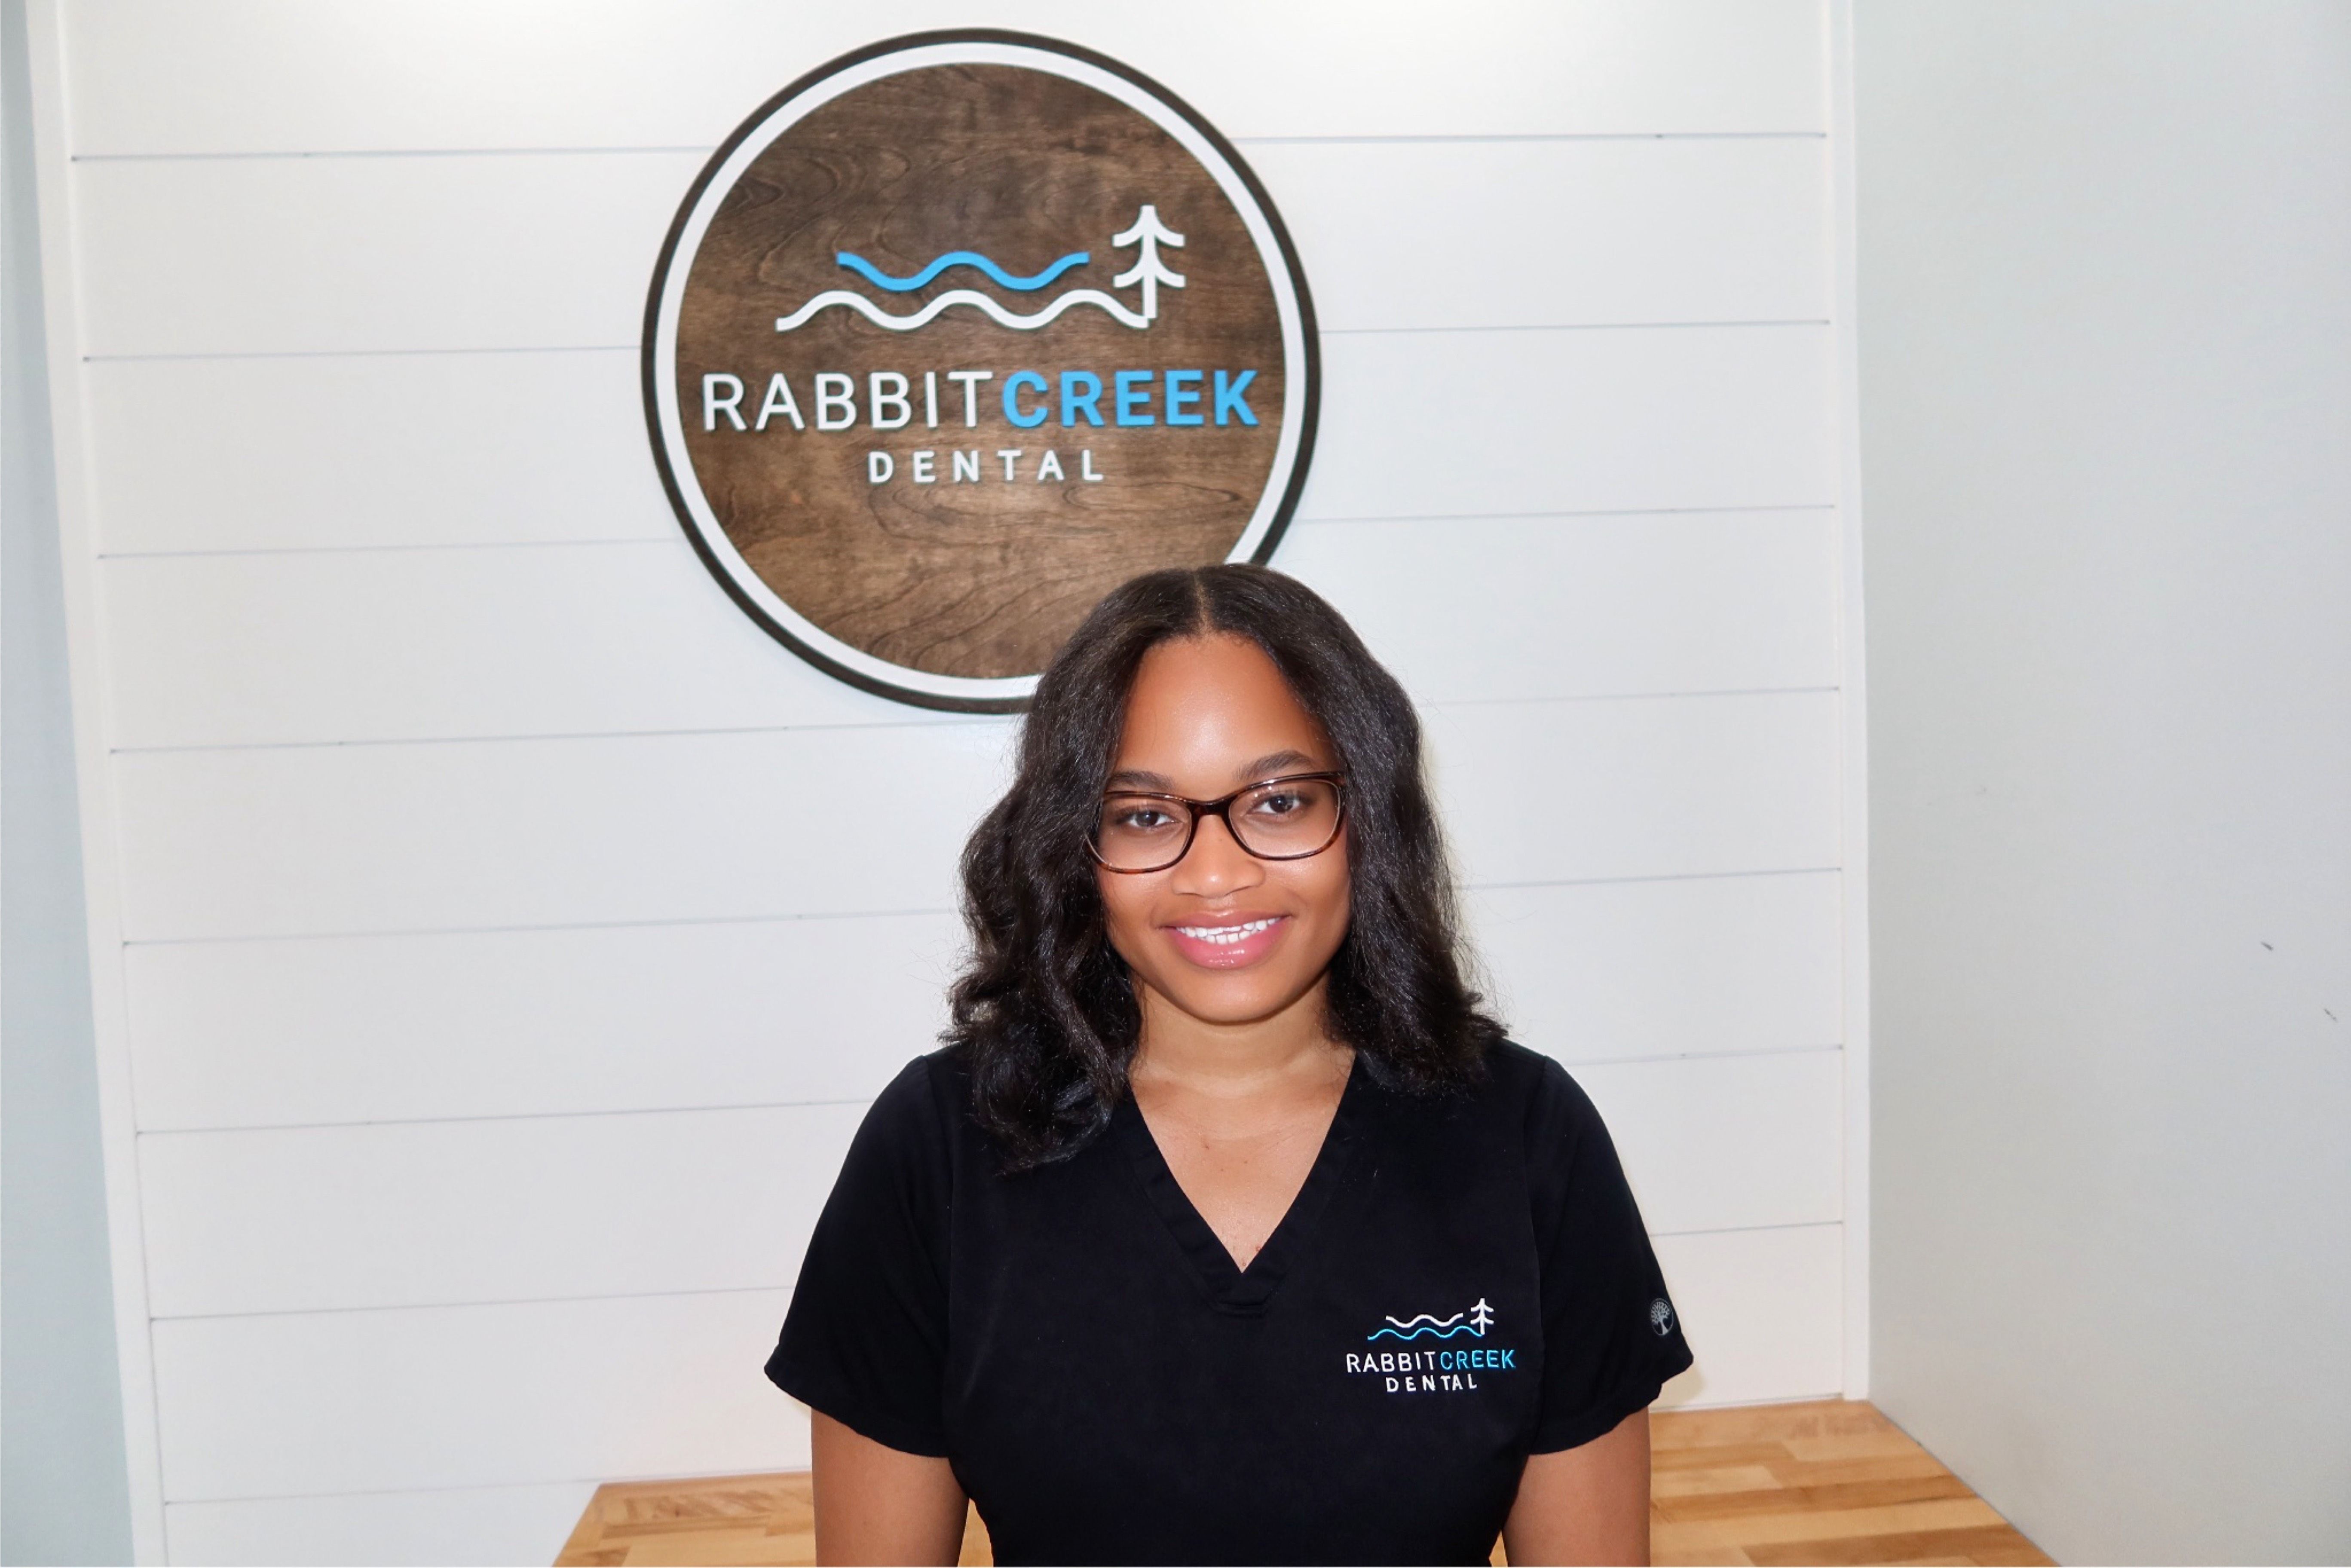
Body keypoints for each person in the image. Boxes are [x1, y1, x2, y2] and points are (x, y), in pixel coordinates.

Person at [767, 565, 1692, 1565]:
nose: (1216, 874)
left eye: (1281, 801)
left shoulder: (1525, 1136)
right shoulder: (940, 1144)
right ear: (1075, 850)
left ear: (1366, 820)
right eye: (1145, 816)